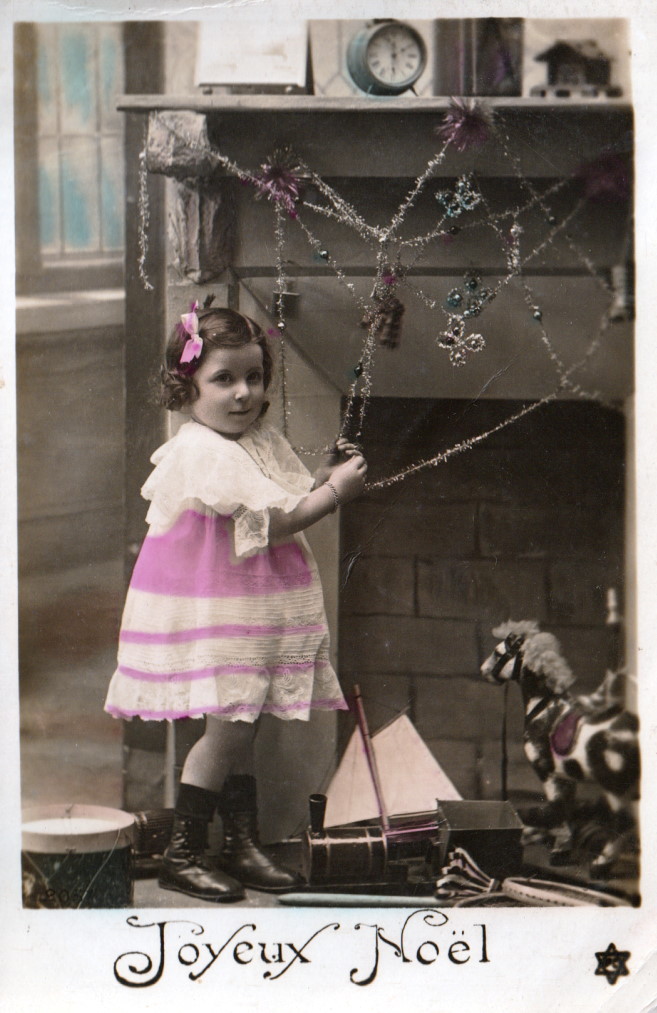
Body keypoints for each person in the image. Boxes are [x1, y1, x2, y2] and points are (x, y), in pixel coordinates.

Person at [104, 299, 367, 902]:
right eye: (223, 378)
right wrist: (335, 494)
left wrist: (323, 475)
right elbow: (271, 524)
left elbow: (281, 496)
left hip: (247, 605)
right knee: (227, 730)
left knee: (240, 722)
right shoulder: (202, 451)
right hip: (213, 603)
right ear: (188, 385)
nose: (243, 392)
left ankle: (241, 844)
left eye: (254, 376)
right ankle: (183, 853)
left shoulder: (252, 439)